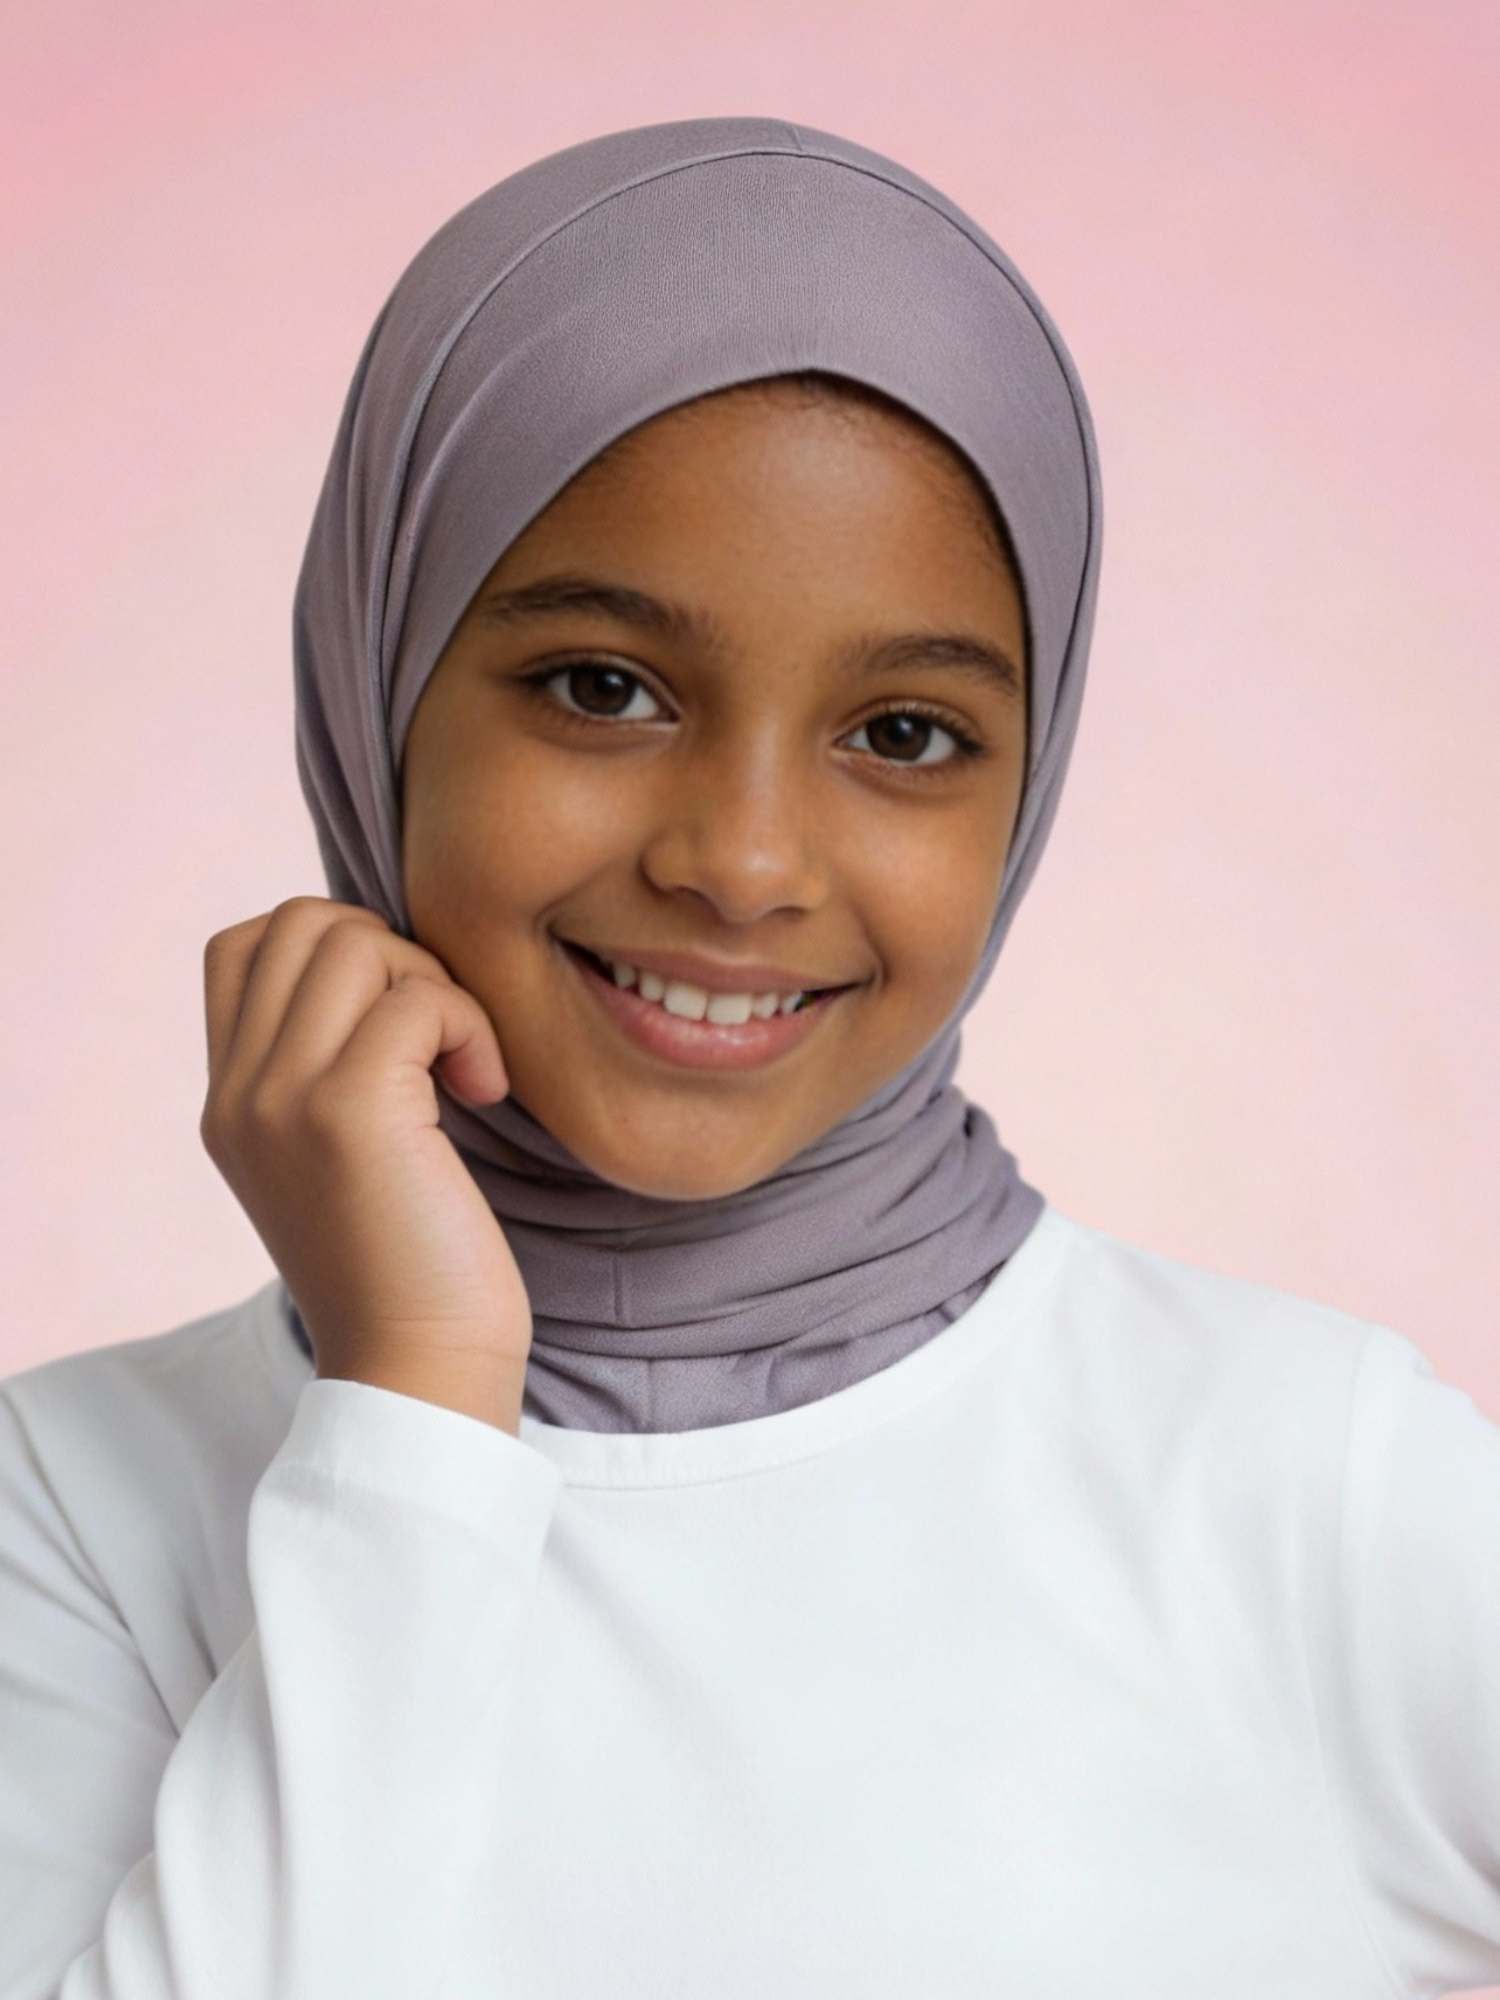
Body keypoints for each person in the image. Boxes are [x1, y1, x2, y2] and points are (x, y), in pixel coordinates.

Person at [1, 114, 1495, 1999]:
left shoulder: (1307, 1489)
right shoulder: (71, 1508)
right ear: (379, 685)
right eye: (602, 689)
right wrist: (418, 1393)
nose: (745, 861)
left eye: (905, 731)